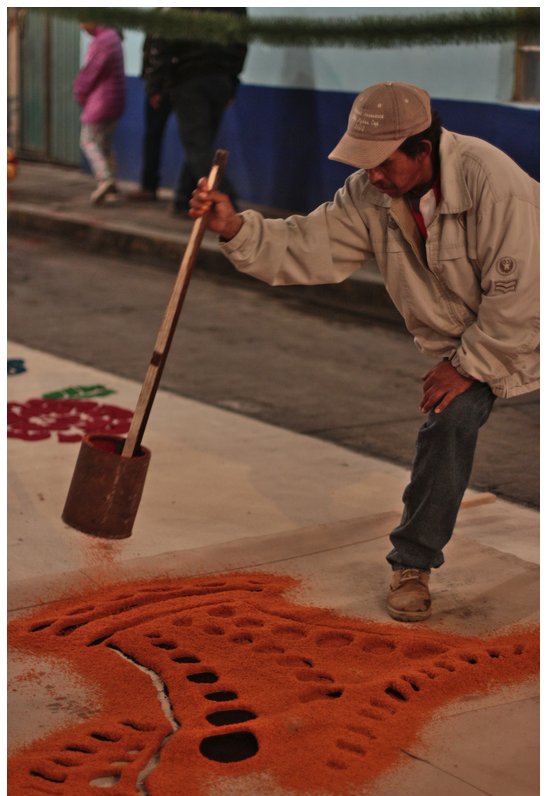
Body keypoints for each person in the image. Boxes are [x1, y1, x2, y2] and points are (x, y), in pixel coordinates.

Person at [189, 81, 539, 622]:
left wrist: (468, 366)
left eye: (383, 163)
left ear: (422, 149)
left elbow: (523, 295)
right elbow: (309, 245)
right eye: (365, 162)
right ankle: (412, 565)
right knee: (448, 420)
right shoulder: (371, 193)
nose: (372, 175)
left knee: (461, 394)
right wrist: (235, 227)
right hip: (479, 337)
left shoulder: (491, 182)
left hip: (525, 317)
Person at [129, 7, 247, 213]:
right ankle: (183, 199)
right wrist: (232, 82)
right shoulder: (234, 7)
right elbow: (240, 44)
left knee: (197, 148)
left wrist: (156, 85)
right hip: (220, 80)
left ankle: (229, 205)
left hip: (189, 79)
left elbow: (164, 42)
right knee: (200, 145)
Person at [73, 23, 125, 205]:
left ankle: (105, 178)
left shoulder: (102, 42)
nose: (82, 27)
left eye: (83, 21)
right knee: (105, 145)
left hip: (101, 102)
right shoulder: (114, 37)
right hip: (116, 101)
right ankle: (112, 186)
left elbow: (89, 73)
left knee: (88, 141)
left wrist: (79, 93)